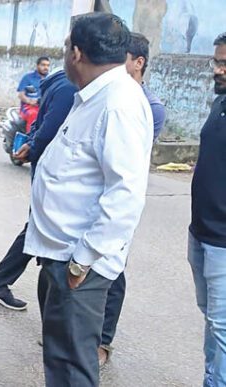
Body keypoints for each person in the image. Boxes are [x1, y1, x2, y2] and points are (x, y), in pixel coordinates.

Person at [27, 13, 152, 386]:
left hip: (79, 264)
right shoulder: (96, 95)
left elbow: (126, 195)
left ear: (76, 53)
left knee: (73, 365)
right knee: (60, 358)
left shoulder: (118, 104)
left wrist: (83, 260)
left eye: (66, 47)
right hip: (61, 254)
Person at [98, 31, 168, 367]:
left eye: (121, 58)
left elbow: (127, 166)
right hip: (96, 201)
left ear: (138, 63)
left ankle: (103, 341)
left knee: (113, 271)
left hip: (119, 201)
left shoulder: (147, 106)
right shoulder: (108, 94)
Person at [0, 70, 77, 310]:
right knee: (39, 228)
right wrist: (33, 145)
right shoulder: (68, 87)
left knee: (36, 226)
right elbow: (51, 126)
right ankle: (0, 283)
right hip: (53, 171)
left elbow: (41, 122)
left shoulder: (60, 82)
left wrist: (32, 143)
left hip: (49, 168)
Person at [188, 31, 226, 387]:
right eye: (217, 61)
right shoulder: (220, 102)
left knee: (222, 326)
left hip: (224, 243)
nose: (219, 69)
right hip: (201, 233)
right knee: (212, 321)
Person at [17, 56, 51, 132]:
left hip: (44, 106)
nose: (46, 67)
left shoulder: (50, 79)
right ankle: (30, 138)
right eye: (43, 65)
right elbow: (21, 95)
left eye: (48, 65)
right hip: (29, 107)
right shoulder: (27, 78)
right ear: (37, 65)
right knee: (34, 115)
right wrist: (30, 101)